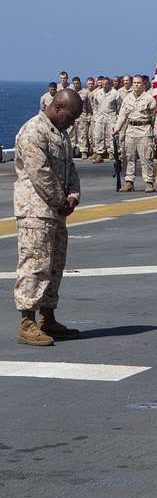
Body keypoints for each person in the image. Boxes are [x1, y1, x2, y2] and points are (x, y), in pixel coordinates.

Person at [13, 89, 83, 346]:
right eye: (71, 117)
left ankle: (47, 317)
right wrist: (60, 201)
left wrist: (74, 194)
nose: (72, 123)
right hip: (36, 211)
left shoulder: (60, 134)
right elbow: (40, 173)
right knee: (34, 265)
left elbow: (69, 168)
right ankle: (27, 322)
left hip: (55, 212)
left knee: (55, 265)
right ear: (57, 108)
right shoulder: (33, 131)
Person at [113, 74, 157, 192]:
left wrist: (156, 132)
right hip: (131, 130)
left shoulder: (149, 98)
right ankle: (129, 182)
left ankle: (148, 182)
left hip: (144, 131)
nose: (136, 85)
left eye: (139, 83)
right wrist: (117, 128)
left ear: (143, 85)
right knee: (129, 157)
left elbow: (155, 117)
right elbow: (122, 115)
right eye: (134, 83)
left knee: (146, 158)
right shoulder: (127, 98)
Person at [90, 76, 120, 161]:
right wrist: (96, 115)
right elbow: (94, 105)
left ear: (110, 84)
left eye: (106, 84)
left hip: (111, 117)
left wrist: (117, 118)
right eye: (103, 84)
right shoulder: (97, 93)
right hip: (100, 116)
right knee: (98, 135)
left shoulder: (115, 93)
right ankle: (100, 153)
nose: (104, 86)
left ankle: (111, 152)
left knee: (111, 136)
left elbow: (119, 106)